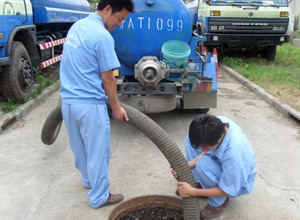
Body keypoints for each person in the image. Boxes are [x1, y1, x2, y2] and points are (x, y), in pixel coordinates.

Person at [59, 0, 134, 209]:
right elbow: (108, 78)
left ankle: (88, 181)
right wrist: (116, 108)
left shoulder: (77, 27)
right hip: (89, 104)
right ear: (107, 9)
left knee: (79, 148)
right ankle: (99, 196)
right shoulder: (102, 36)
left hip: (68, 102)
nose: (119, 24)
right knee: (98, 152)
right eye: (120, 19)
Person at [172, 114, 256, 219]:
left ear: (219, 138)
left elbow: (229, 190)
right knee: (191, 139)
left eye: (205, 147)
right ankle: (199, 182)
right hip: (221, 160)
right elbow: (205, 150)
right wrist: (186, 166)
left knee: (203, 164)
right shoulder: (216, 124)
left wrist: (192, 192)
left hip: (236, 183)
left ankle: (219, 203)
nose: (201, 150)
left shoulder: (234, 155)